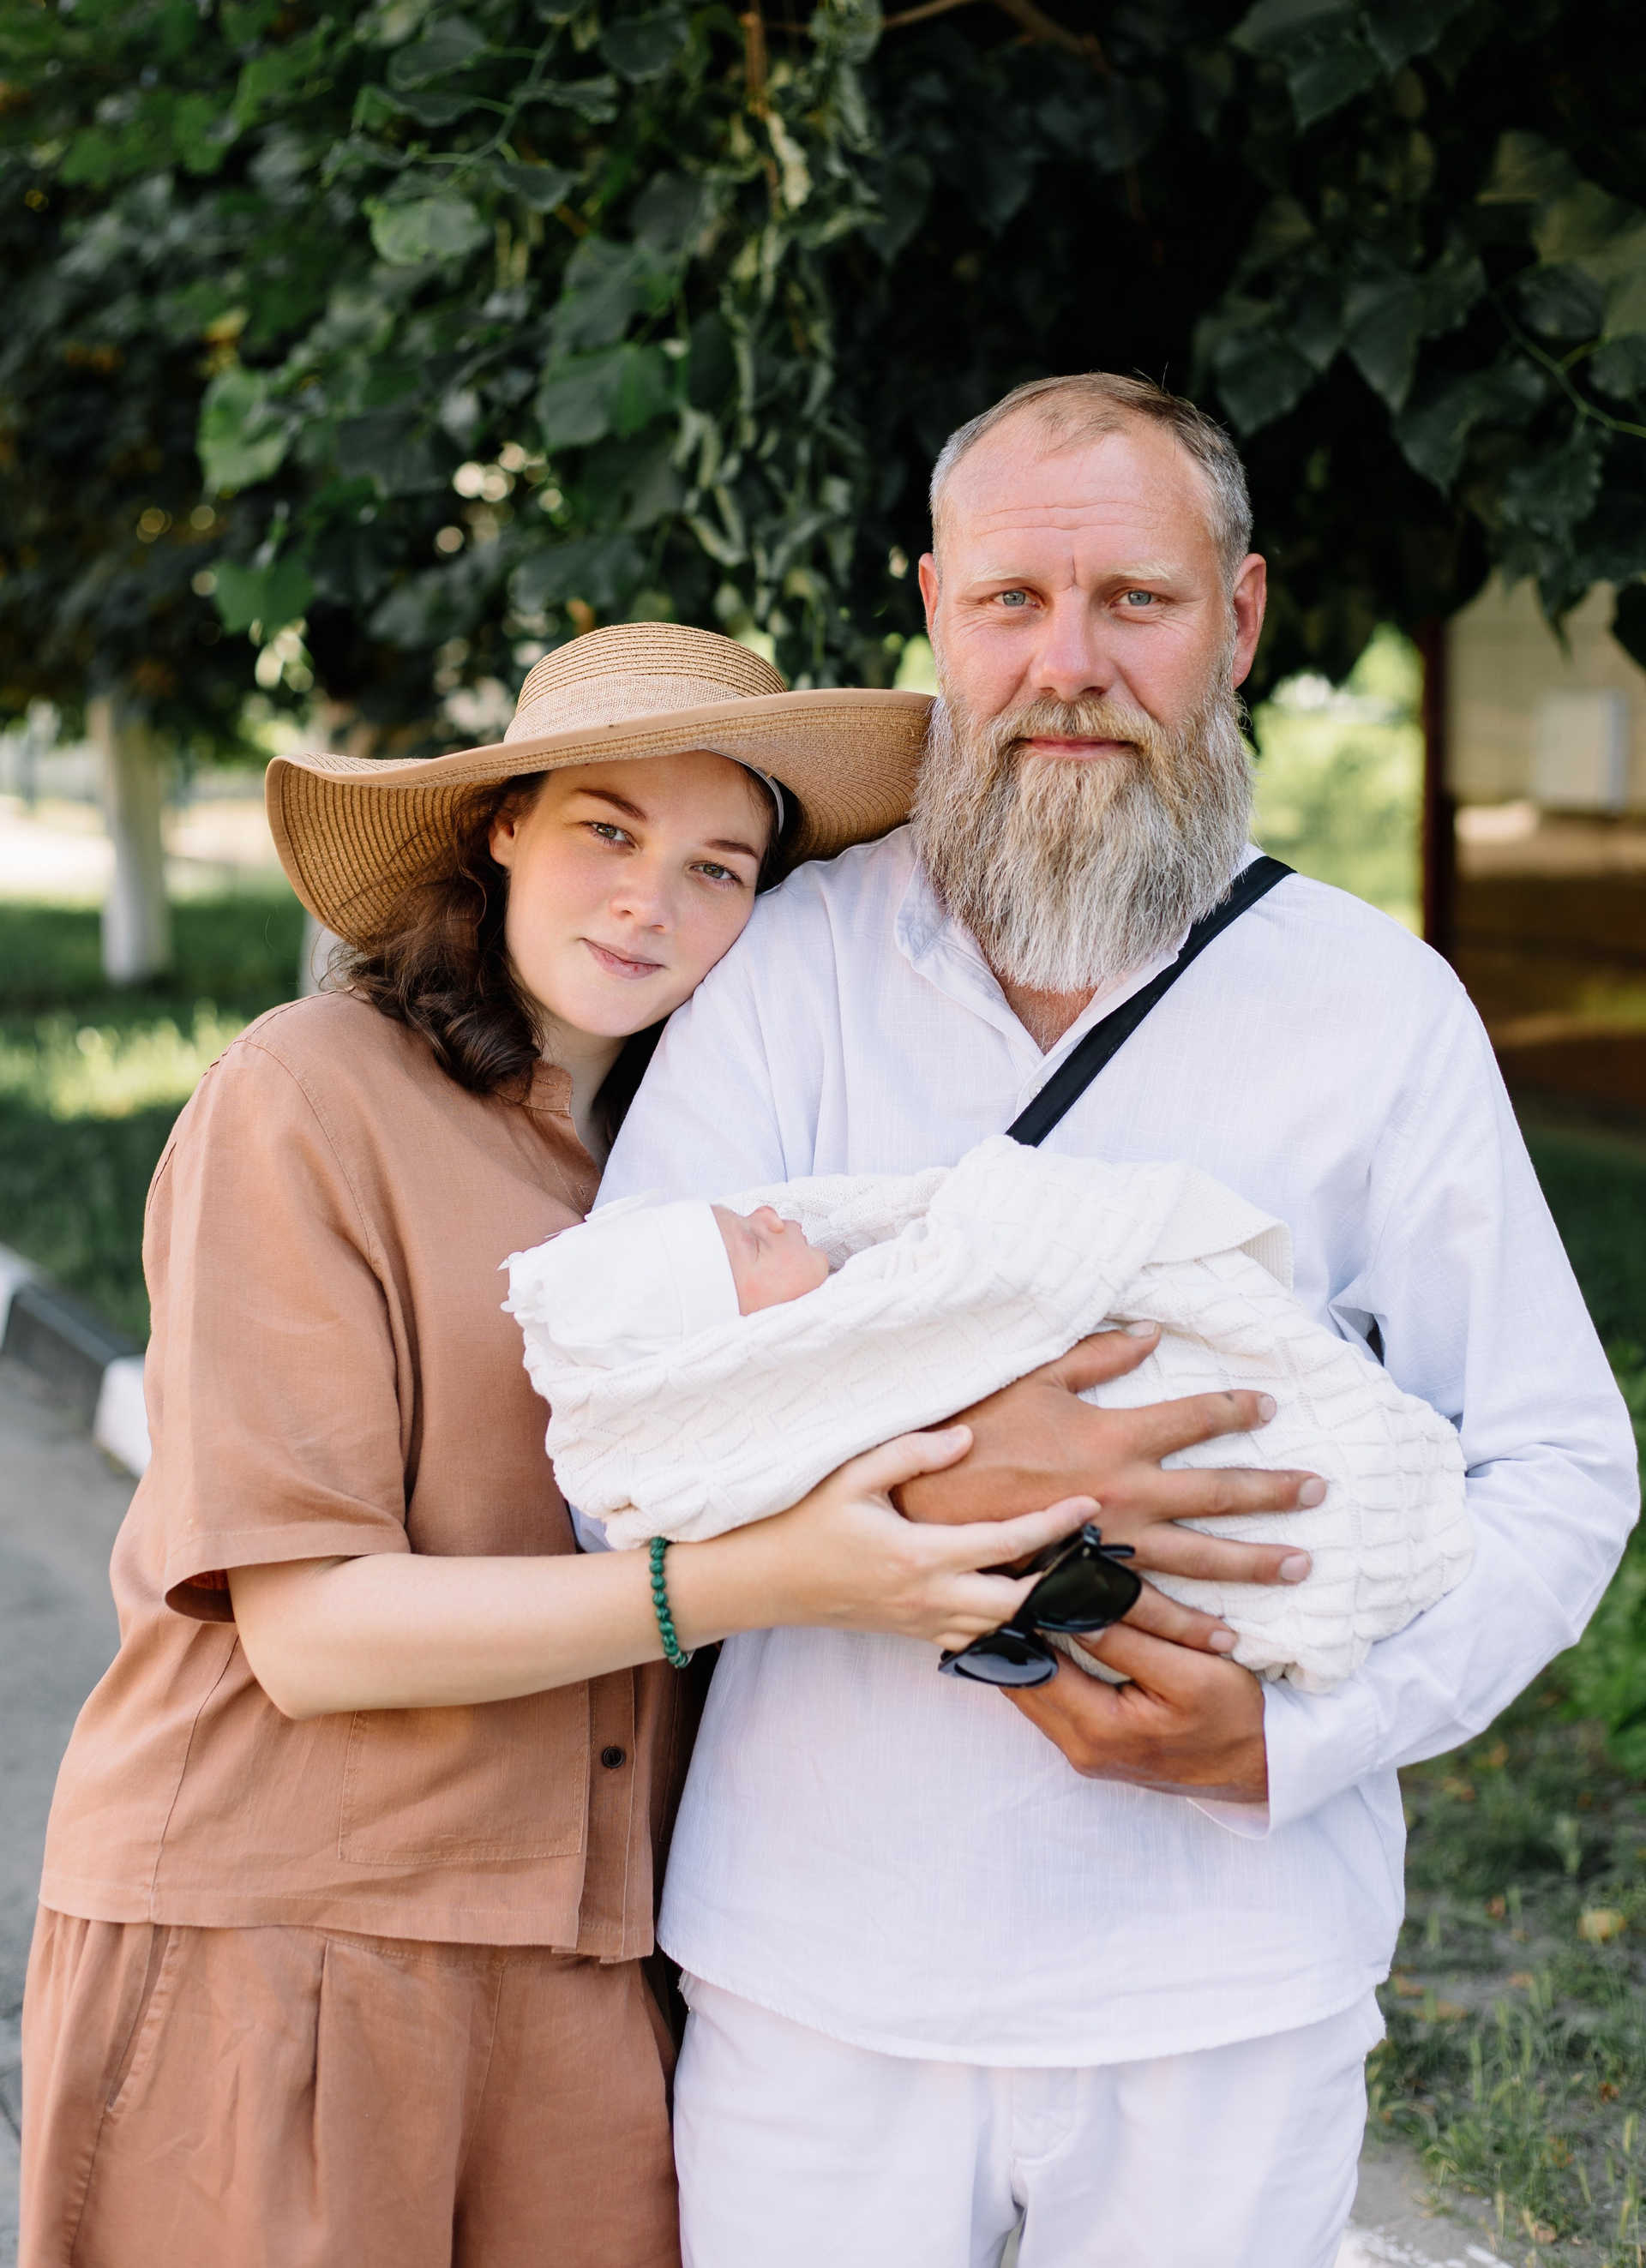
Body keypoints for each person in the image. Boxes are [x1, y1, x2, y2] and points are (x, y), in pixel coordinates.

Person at [598, 378, 1640, 2267]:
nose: (1065, 665)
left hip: (1231, 1977)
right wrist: (965, 1467)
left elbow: (1560, 1466)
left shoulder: (1376, 1007)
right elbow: (613, 1444)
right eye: (1012, 601)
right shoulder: (788, 968)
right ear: (937, 613)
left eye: (1134, 602)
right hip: (822, 1974)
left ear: (1237, 621)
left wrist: (1295, 1745)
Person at [19, 624, 1105, 2268]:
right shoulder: (307, 1095)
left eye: (717, 867)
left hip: (595, 1951)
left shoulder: (722, 1188)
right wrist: (754, 1580)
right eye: (609, 829)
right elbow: (309, 1633)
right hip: (285, 1925)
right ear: (504, 825)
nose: (649, 904)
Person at [508, 1136, 1472, 1693]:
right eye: (749, 1247)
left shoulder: (1393, 998)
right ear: (734, 1346)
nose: (770, 1216)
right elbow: (623, 1526)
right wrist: (928, 1489)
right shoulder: (773, 978)